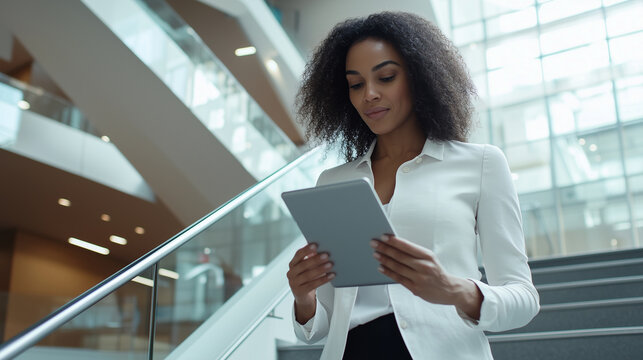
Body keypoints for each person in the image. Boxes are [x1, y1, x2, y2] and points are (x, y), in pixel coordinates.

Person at [286, 11, 540, 360]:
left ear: (420, 78)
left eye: (386, 77)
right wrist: (304, 298)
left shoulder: (481, 164)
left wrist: (453, 289)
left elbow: (523, 299)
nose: (369, 95)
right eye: (356, 84)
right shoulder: (334, 182)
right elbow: (322, 325)